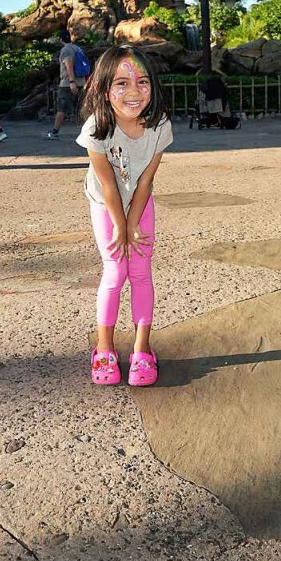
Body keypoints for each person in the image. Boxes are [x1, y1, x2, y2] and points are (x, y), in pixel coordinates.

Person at [76, 45, 173, 387]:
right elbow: (107, 184)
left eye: (142, 81)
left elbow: (145, 180)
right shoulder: (96, 128)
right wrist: (120, 225)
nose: (134, 91)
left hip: (140, 201)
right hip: (106, 203)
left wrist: (133, 223)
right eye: (122, 83)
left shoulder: (160, 126)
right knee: (116, 270)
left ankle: (142, 349)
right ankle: (104, 348)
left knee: (141, 271)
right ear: (104, 90)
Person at [47, 27, 87, 140]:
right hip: (81, 81)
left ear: (60, 39)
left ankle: (55, 132)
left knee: (61, 108)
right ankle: (88, 132)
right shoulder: (78, 48)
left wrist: (72, 81)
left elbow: (69, 65)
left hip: (67, 84)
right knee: (82, 108)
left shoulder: (66, 50)